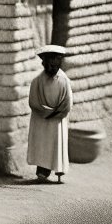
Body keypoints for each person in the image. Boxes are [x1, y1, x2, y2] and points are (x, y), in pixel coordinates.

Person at [27, 45, 72, 184]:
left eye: (55, 66)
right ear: (44, 64)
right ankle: (42, 172)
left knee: (55, 145)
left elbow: (66, 104)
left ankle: (58, 170)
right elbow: (33, 102)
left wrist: (55, 113)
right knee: (42, 145)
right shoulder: (37, 81)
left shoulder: (64, 80)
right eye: (49, 66)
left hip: (57, 120)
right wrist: (46, 112)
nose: (52, 69)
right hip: (41, 120)